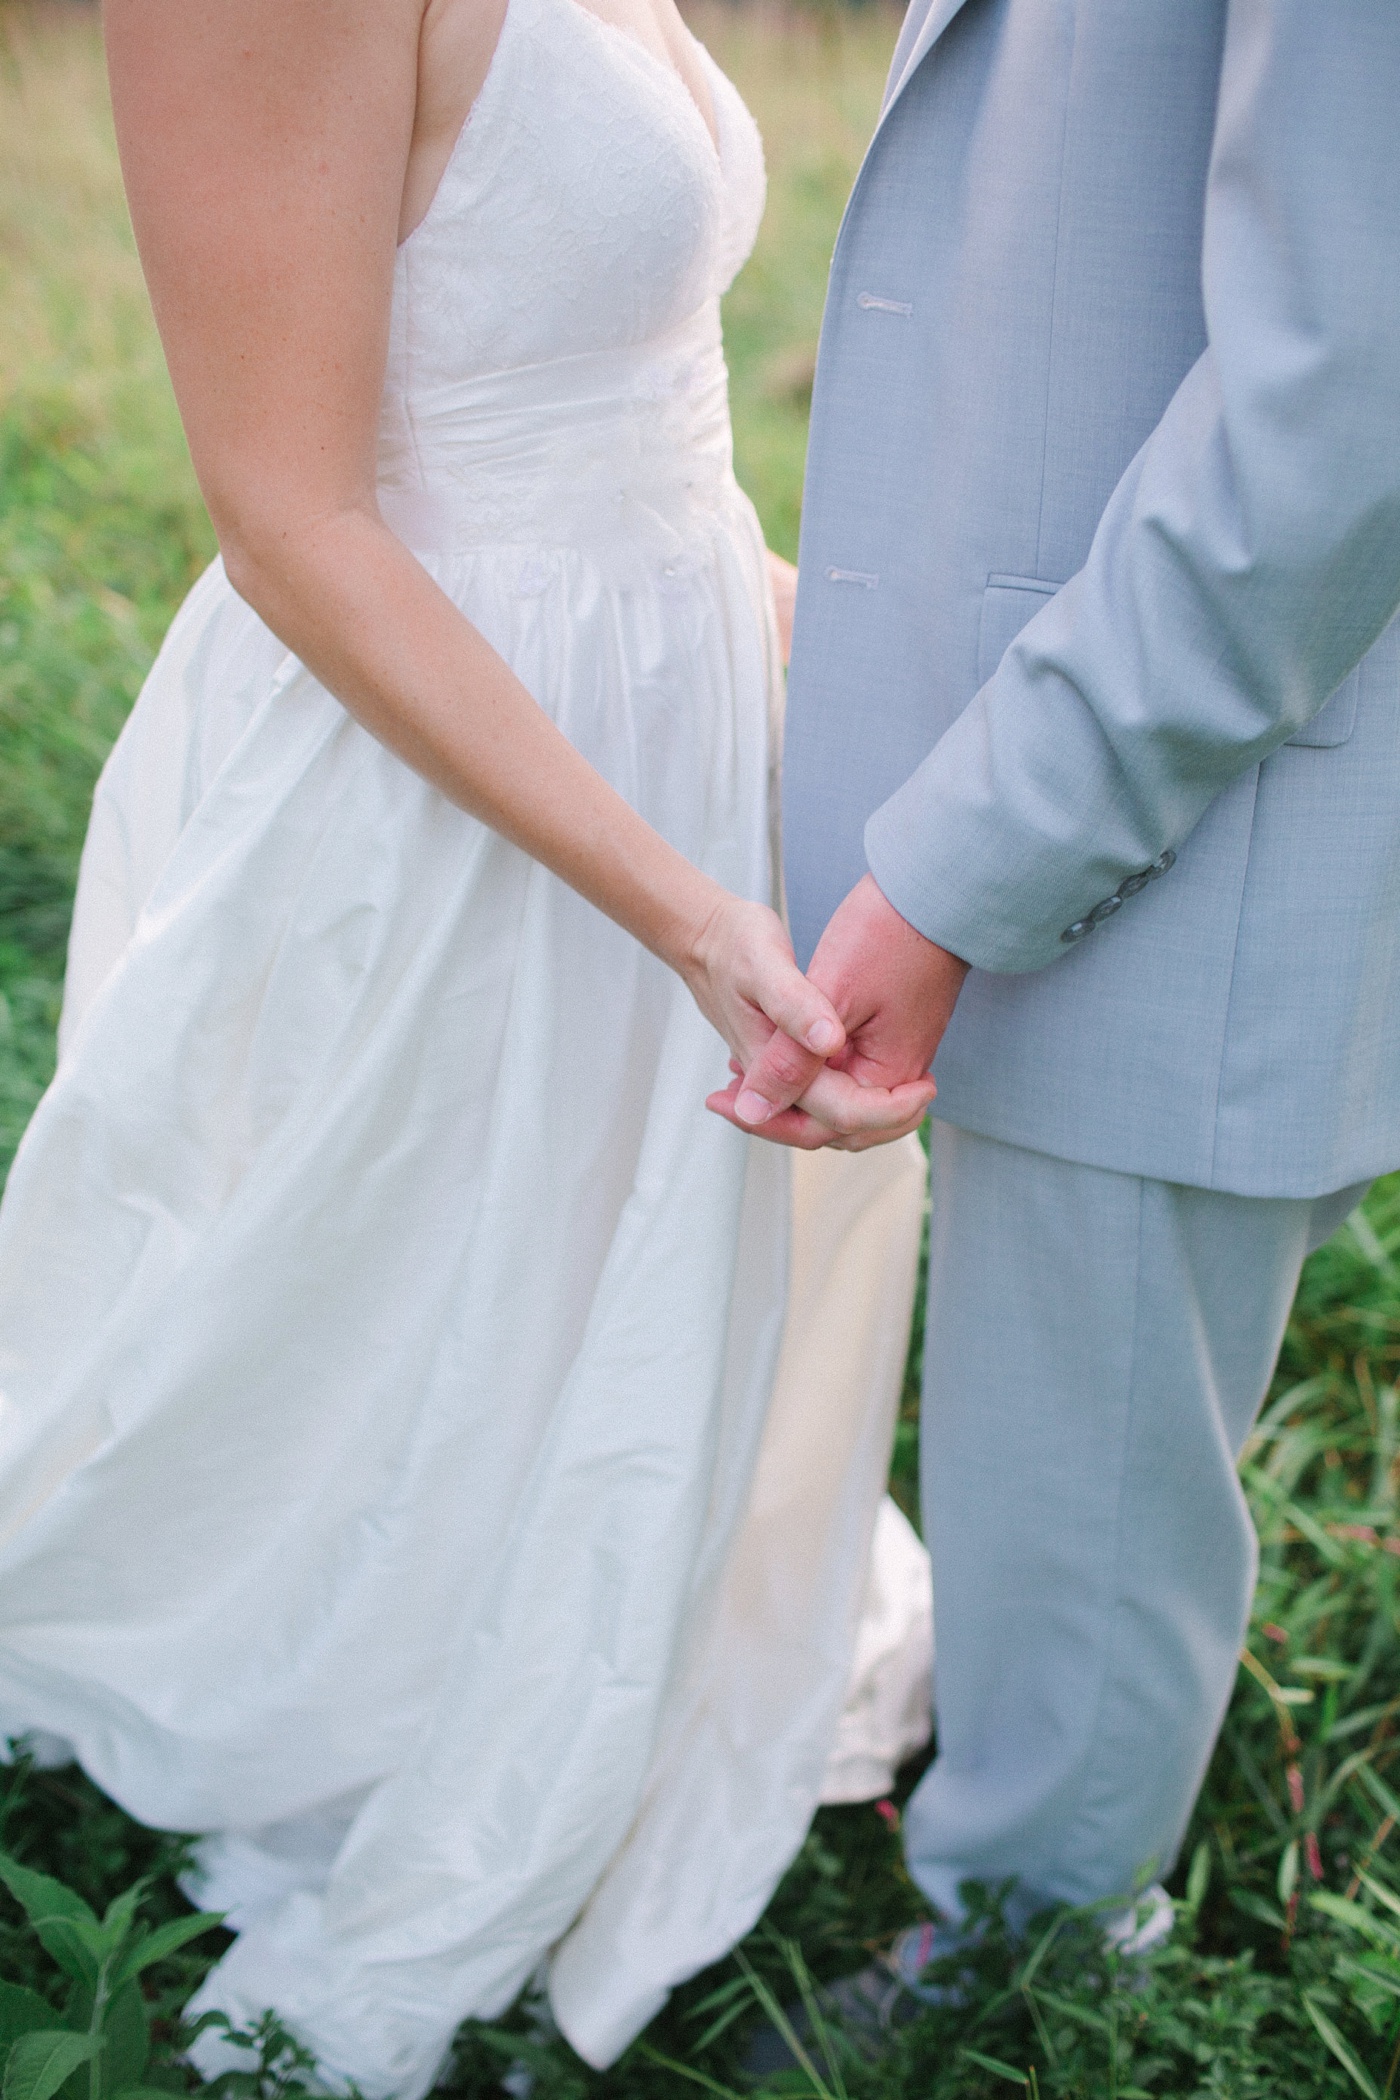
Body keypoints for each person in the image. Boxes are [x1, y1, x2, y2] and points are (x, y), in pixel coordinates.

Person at [0, 0, 935, 2089]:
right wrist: (686, 907)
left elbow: (622, 407)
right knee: (417, 1257)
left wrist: (821, 658)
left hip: (668, 689)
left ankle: (609, 1588)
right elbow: (290, 513)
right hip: (450, 768)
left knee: (586, 1255)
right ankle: (381, 1685)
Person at [717, 0, 1400, 2020]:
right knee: (1044, 1416)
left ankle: (1027, 1975)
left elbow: (1336, 395)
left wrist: (960, 863)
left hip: (1174, 778)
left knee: (1090, 1448)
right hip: (1054, 725)